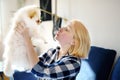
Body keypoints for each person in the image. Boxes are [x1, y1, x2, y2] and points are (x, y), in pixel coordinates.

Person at [15, 19, 91, 80]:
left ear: (74, 41)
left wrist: (27, 39)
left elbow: (40, 70)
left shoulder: (74, 63)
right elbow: (31, 65)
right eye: (63, 27)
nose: (60, 28)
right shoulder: (52, 52)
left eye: (67, 29)